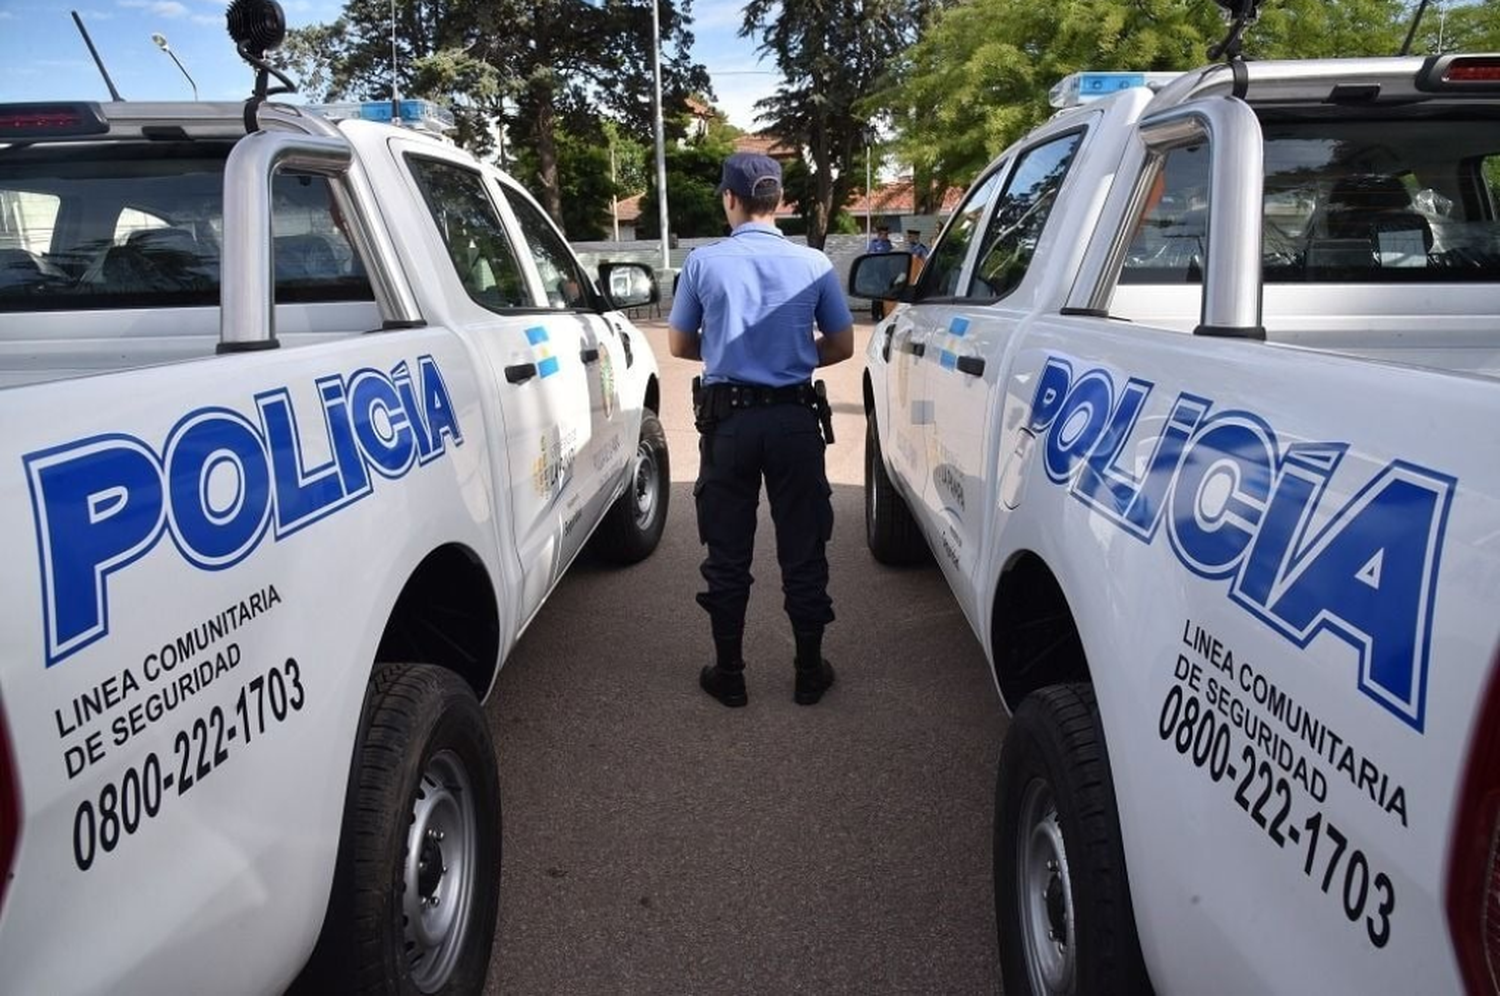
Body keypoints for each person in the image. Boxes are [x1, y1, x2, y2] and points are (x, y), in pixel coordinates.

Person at [668, 152, 855, 708]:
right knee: (803, 547)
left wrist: (731, 351)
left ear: (730, 199)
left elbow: (679, 345)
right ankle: (806, 672)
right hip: (796, 420)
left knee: (727, 552)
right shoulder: (815, 263)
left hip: (728, 424)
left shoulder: (703, 263)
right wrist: (791, 355)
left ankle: (729, 674)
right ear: (780, 203)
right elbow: (843, 346)